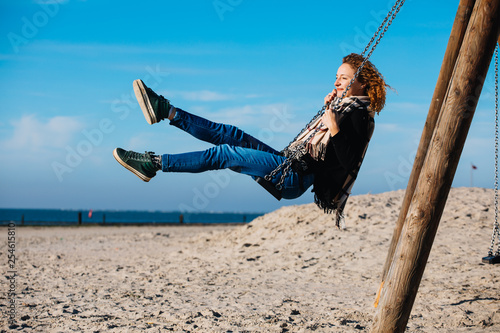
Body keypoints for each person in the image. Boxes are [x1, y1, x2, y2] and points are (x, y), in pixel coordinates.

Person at [113, 53, 388, 224]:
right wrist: (329, 111)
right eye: (336, 77)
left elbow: (349, 159)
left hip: (295, 177)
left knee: (226, 153)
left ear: (362, 83)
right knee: (231, 134)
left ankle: (153, 163)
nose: (337, 83)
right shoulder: (343, 108)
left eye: (344, 78)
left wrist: (334, 126)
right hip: (288, 162)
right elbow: (322, 142)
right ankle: (166, 110)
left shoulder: (362, 117)